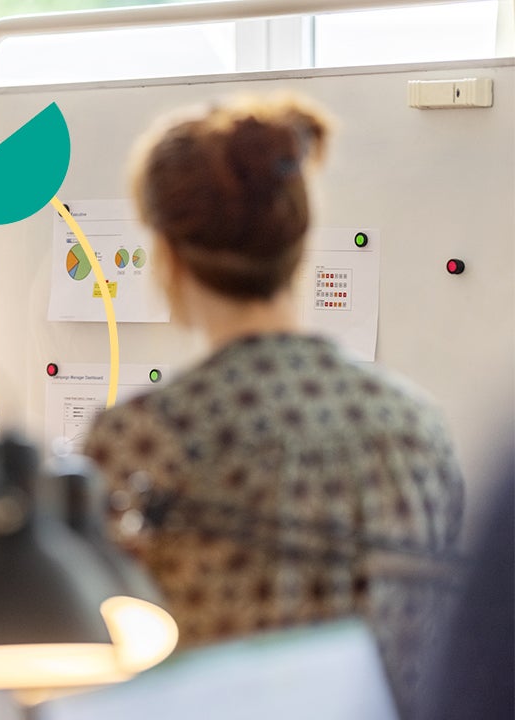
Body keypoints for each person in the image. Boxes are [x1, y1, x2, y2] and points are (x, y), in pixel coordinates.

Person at [81, 94, 464, 717]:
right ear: (299, 240)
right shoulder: (417, 425)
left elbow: (95, 659)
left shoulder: (141, 437)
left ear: (167, 254)